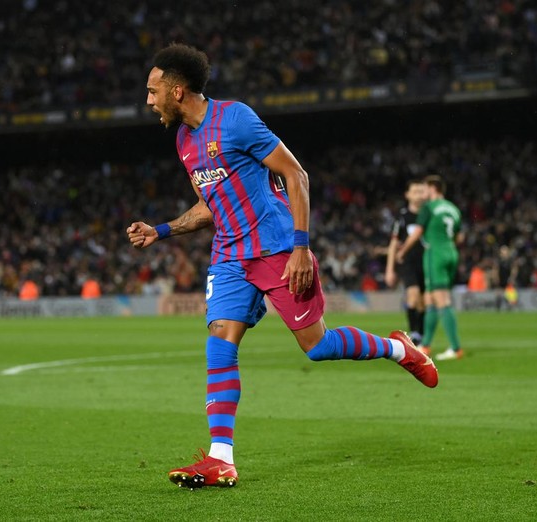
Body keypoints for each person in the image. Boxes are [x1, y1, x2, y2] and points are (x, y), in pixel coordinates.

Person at [126, 44, 438, 489]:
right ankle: (221, 458)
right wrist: (162, 230)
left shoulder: (235, 119)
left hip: (276, 247)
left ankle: (400, 349)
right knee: (220, 340)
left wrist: (300, 247)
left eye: (153, 91)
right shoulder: (184, 141)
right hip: (230, 255)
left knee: (318, 346)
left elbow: (297, 176)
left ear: (177, 91)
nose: (149, 101)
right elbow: (209, 205)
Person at [397, 175, 464, 361]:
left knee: (441, 299)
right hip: (451, 252)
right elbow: (460, 238)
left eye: (425, 189)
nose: (423, 193)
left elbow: (417, 233)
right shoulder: (453, 209)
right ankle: (425, 345)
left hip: (435, 253)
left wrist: (402, 251)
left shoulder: (429, 208)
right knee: (431, 300)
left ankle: (455, 348)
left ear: (433, 189)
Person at [385, 179, 426, 346]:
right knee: (413, 294)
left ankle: (421, 336)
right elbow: (394, 243)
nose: (418, 195)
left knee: (422, 302)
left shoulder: (427, 215)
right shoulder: (402, 217)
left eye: (421, 191)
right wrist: (390, 269)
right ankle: (414, 335)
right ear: (407, 195)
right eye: (415, 191)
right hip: (407, 261)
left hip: (425, 262)